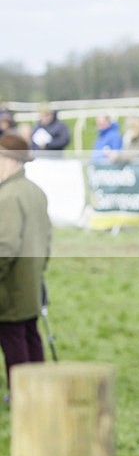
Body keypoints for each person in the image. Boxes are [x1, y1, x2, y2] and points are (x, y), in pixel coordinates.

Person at [0, 135, 49, 394]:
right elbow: (47, 241)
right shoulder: (35, 191)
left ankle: (24, 398)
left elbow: (4, 249)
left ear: (10, 161)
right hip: (30, 282)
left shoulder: (7, 196)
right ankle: (38, 393)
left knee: (14, 343)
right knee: (30, 336)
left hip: (9, 288)